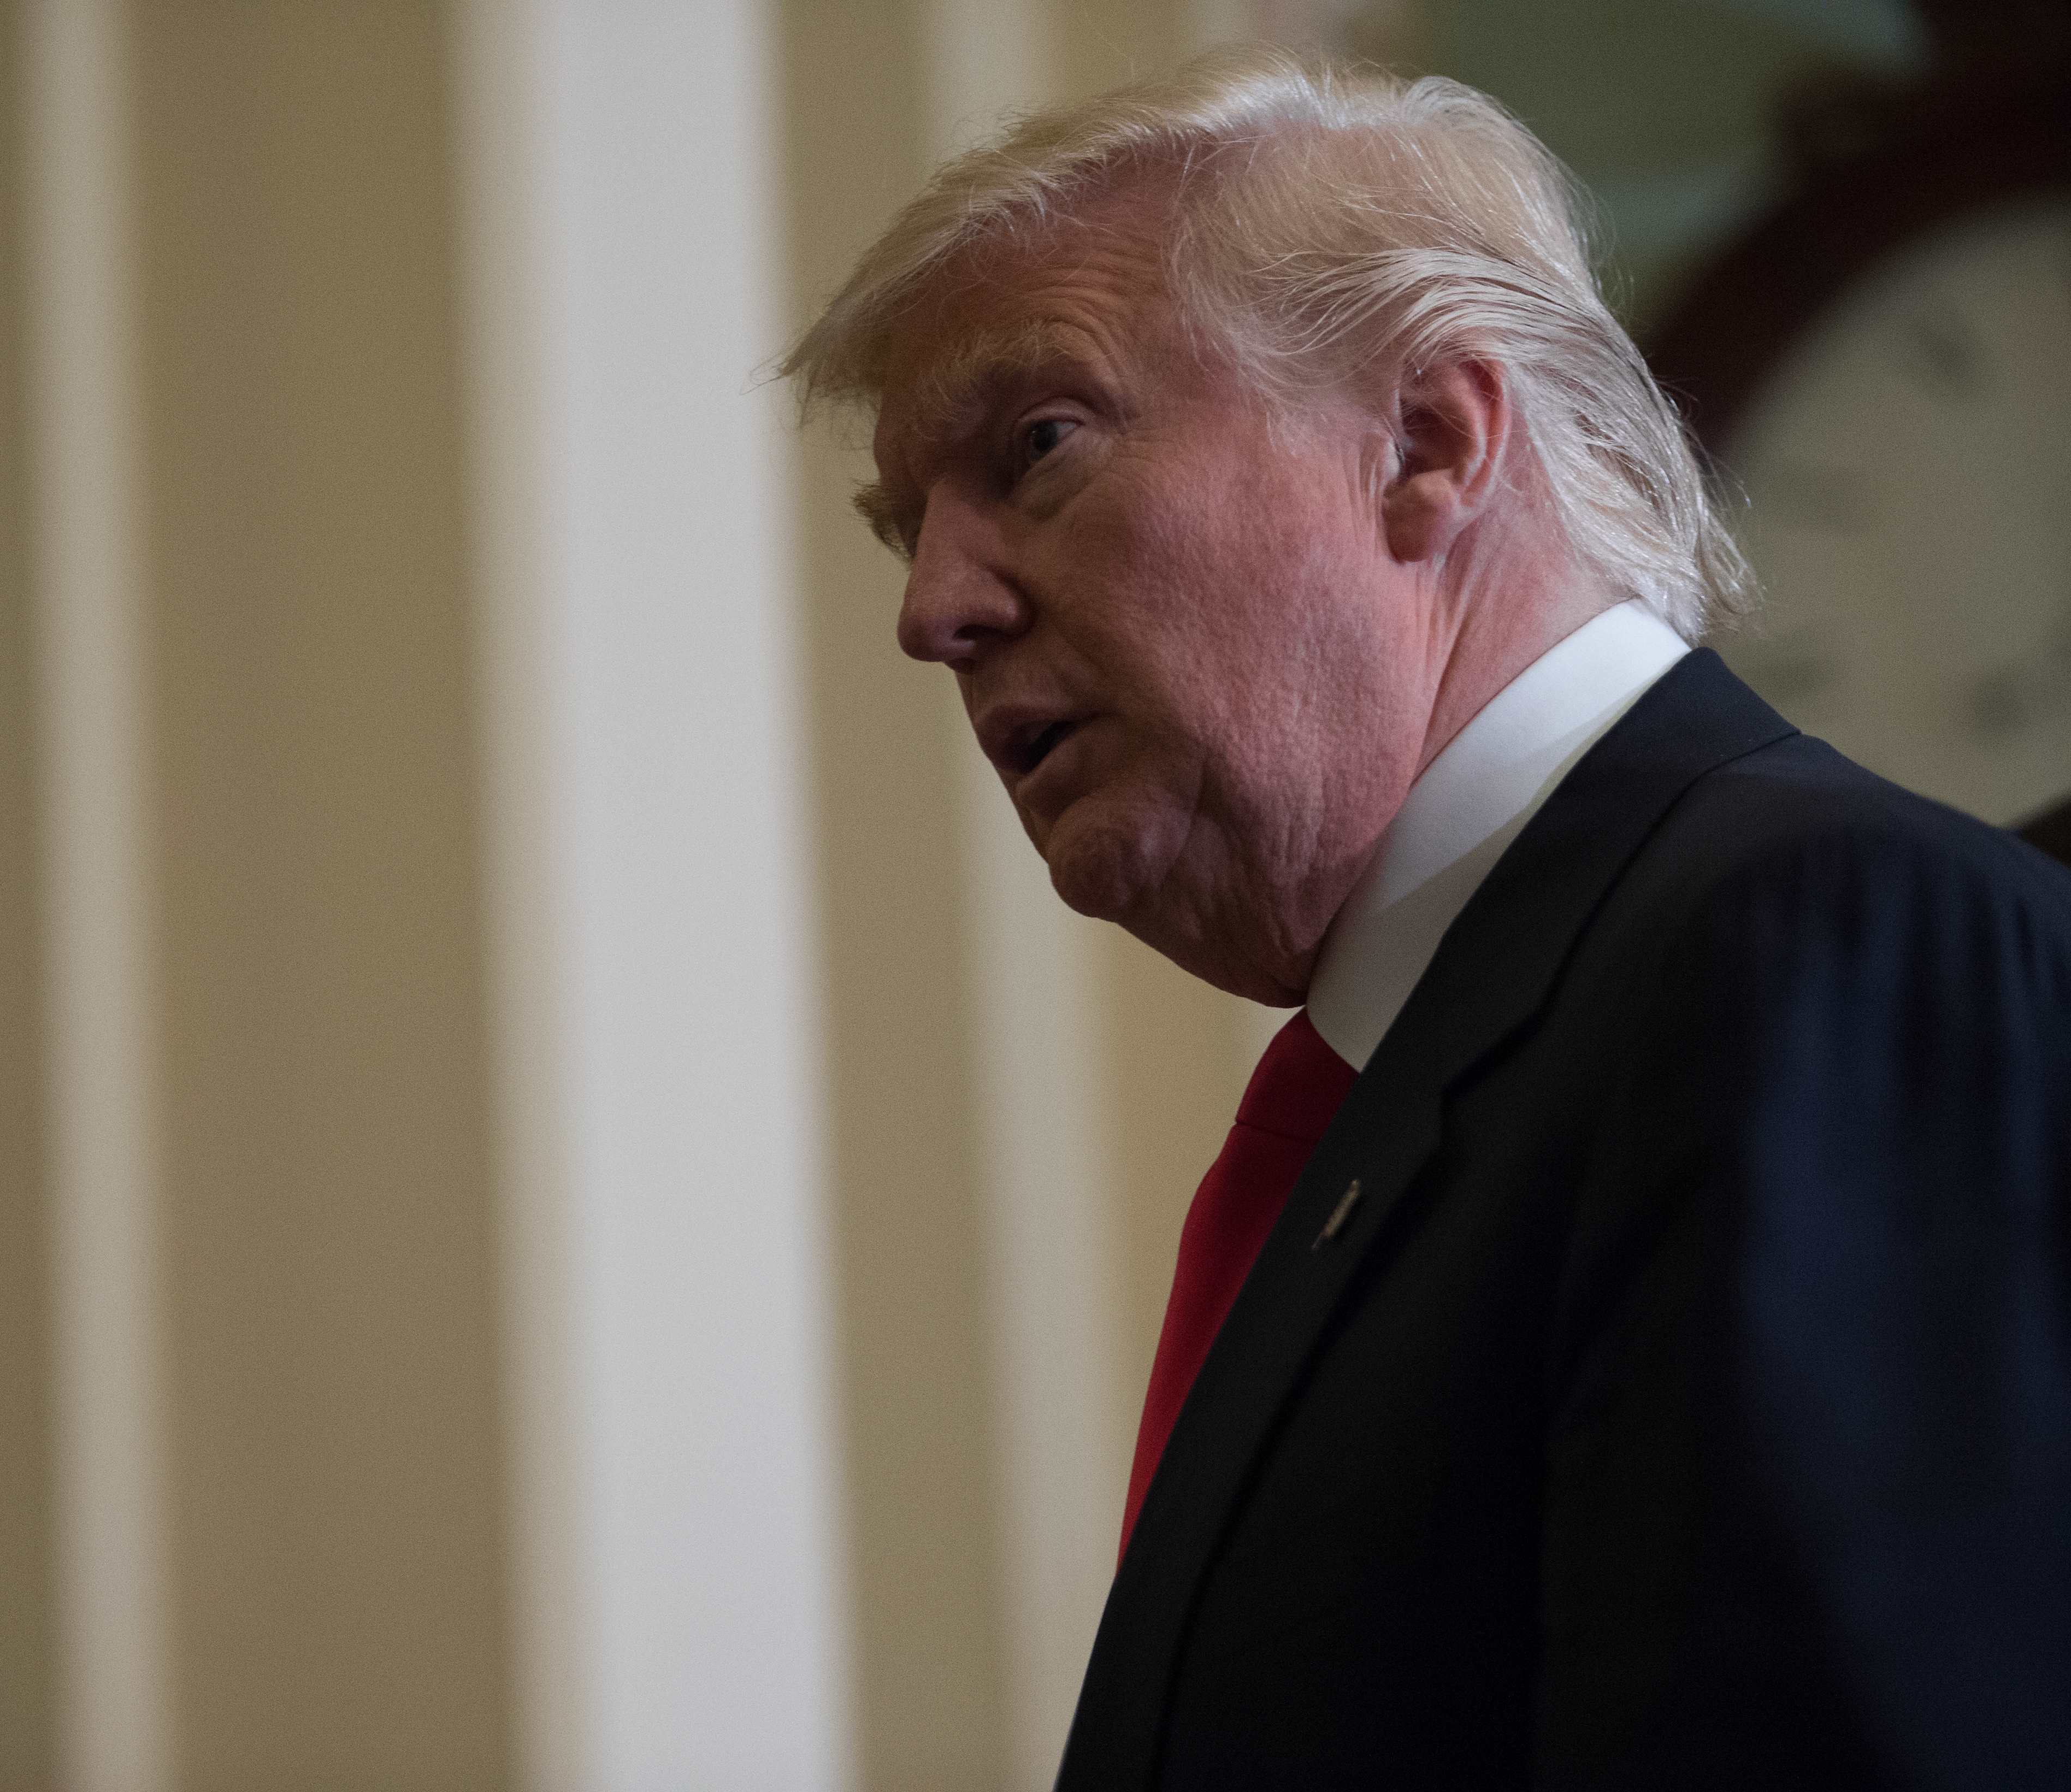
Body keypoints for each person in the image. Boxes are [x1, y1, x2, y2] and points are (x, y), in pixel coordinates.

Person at [784, 48, 2071, 1790]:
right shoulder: (1419, 1088)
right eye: (905, 530)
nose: (935, 607)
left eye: (1038, 447)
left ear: (1429, 440)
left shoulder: (1809, 941)